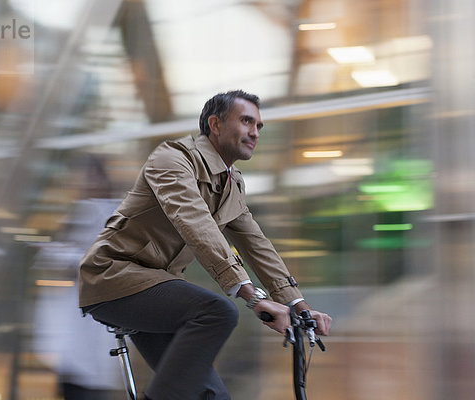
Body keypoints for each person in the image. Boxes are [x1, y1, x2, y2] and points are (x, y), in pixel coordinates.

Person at [78, 90, 332, 400]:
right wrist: (251, 297)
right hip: (114, 278)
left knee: (210, 396)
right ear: (215, 124)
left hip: (156, 287)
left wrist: (298, 306)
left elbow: (257, 245)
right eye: (247, 121)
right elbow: (195, 223)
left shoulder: (231, 183)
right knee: (218, 312)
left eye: (259, 126)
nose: (255, 132)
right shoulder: (172, 159)